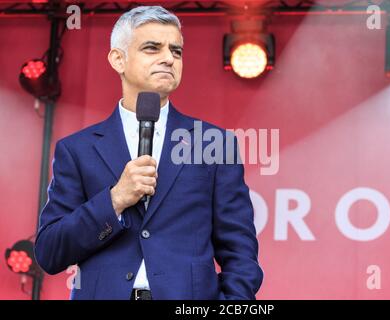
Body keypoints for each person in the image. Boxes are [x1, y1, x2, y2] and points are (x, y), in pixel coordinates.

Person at [34, 5, 263, 300]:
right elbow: (50, 252)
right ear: (118, 59)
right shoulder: (77, 149)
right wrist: (115, 200)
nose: (169, 58)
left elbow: (240, 253)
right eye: (152, 48)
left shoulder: (213, 144)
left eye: (176, 51)